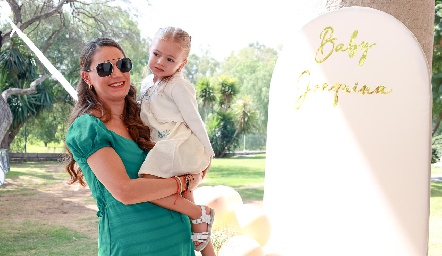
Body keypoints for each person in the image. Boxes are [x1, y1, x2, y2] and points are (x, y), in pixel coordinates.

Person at [64, 37, 214, 255]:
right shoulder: (88, 128)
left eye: (122, 64)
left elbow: (185, 185)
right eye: (104, 68)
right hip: (133, 247)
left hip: (179, 243)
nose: (116, 73)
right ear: (87, 77)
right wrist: (185, 182)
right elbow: (126, 191)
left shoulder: (148, 118)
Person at [138, 26, 216, 253]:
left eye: (170, 59)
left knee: (147, 181)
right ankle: (204, 238)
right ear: (150, 50)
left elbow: (194, 119)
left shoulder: (178, 86)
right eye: (156, 54)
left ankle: (197, 212)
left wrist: (208, 152)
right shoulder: (146, 83)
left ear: (182, 64)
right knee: (185, 191)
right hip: (163, 143)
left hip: (178, 143)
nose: (160, 62)